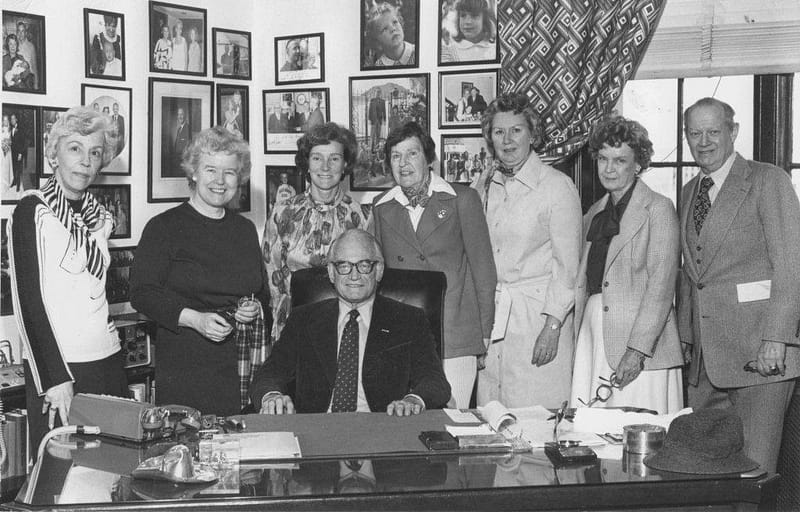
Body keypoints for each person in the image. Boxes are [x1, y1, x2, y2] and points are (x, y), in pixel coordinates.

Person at [678, 97, 800, 473]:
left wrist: (776, 339)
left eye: (713, 131)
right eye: (694, 133)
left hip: (760, 356)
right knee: (709, 472)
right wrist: (686, 338)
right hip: (706, 364)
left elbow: (791, 266)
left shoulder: (767, 180)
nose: (704, 142)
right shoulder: (689, 191)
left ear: (733, 132)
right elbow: (693, 275)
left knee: (754, 471)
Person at [8, 106, 127, 450]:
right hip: (61, 369)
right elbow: (28, 303)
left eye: (95, 153)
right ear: (53, 154)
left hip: (107, 359)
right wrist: (55, 379)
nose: (85, 161)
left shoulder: (99, 218)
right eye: (75, 148)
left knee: (110, 466)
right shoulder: (32, 210)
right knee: (61, 472)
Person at [131, 126, 267, 415]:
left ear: (240, 177)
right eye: (210, 170)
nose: (220, 181)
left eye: (229, 172)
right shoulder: (163, 227)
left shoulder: (245, 230)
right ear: (193, 172)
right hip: (186, 367)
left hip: (242, 367)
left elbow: (261, 291)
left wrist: (253, 308)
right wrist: (195, 319)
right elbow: (142, 293)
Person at [251, 229, 451, 415]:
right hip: (316, 429)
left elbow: (435, 381)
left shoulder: (408, 320)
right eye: (344, 266)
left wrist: (413, 400)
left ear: (379, 270)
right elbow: (269, 374)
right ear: (331, 272)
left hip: (383, 427)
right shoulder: (302, 319)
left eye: (364, 265)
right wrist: (272, 396)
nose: (354, 276)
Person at [373, 122, 496, 408]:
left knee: (453, 417)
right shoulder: (381, 206)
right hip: (403, 336)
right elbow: (380, 277)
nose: (403, 163)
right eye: (395, 156)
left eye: (412, 153)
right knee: (407, 418)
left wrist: (484, 333)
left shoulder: (462, 199)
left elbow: (484, 272)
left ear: (429, 158)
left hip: (455, 333)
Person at [569, 115, 683, 415]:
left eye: (620, 160)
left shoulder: (658, 208)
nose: (609, 169)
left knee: (638, 429)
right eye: (603, 159)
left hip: (642, 343)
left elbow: (661, 288)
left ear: (638, 164)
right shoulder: (595, 212)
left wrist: (637, 350)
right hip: (594, 334)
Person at [475, 92, 582, 409]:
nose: (507, 140)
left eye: (516, 130)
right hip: (494, 317)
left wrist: (552, 326)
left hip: (538, 320)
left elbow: (567, 269)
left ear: (532, 135)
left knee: (536, 413)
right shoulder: (486, 186)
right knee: (493, 412)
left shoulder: (557, 186)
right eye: (498, 132)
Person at [264, 123, 372, 345]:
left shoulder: (362, 217)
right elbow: (270, 273)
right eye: (317, 158)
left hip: (345, 329)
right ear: (306, 163)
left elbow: (368, 279)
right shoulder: (282, 212)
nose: (325, 167)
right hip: (291, 325)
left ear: (345, 164)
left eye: (334, 158)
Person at [364, 2, 415, 67]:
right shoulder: (378, 66)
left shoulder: (418, 53)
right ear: (377, 42)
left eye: (395, 22)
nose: (393, 29)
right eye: (385, 29)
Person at [15, 22, 38, 89]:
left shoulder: (31, 47)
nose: (21, 33)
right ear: (17, 32)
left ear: (26, 33)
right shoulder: (14, 45)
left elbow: (34, 68)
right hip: (17, 83)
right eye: (19, 31)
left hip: (28, 83)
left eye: (23, 31)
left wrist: (36, 85)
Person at [9, 113, 25, 192]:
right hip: (12, 153)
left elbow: (23, 142)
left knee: (18, 169)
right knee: (14, 168)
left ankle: (18, 185)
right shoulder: (10, 129)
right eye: (11, 119)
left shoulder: (20, 129)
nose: (12, 120)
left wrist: (20, 153)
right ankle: (14, 181)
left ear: (16, 119)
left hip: (18, 153)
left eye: (13, 119)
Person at [1, 115, 11, 191]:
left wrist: (8, 145)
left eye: (7, 120)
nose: (5, 121)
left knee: (7, 167)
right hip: (1, 151)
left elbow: (10, 141)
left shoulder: (9, 130)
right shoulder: (1, 129)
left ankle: (7, 184)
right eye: (4, 120)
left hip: (8, 152)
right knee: (2, 167)